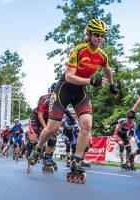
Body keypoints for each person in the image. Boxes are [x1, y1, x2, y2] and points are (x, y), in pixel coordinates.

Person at [28, 19, 119, 183]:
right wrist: (91, 82)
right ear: (89, 35)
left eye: (103, 36)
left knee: (87, 125)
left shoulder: (102, 55)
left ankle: (77, 160)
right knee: (52, 128)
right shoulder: (79, 50)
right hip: (64, 89)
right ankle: (38, 148)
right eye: (97, 35)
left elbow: (107, 68)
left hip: (80, 92)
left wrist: (112, 85)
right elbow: (69, 76)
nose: (100, 38)